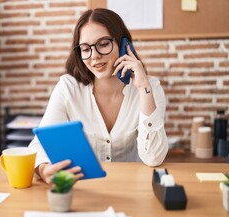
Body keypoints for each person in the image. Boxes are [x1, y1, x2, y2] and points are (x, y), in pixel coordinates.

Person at [29, 8, 168, 184]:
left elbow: (153, 158)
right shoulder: (68, 88)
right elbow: (39, 145)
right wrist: (43, 169)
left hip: (132, 188)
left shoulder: (150, 89)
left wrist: (143, 87)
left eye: (103, 44)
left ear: (124, 45)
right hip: (85, 188)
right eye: (85, 48)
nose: (94, 56)